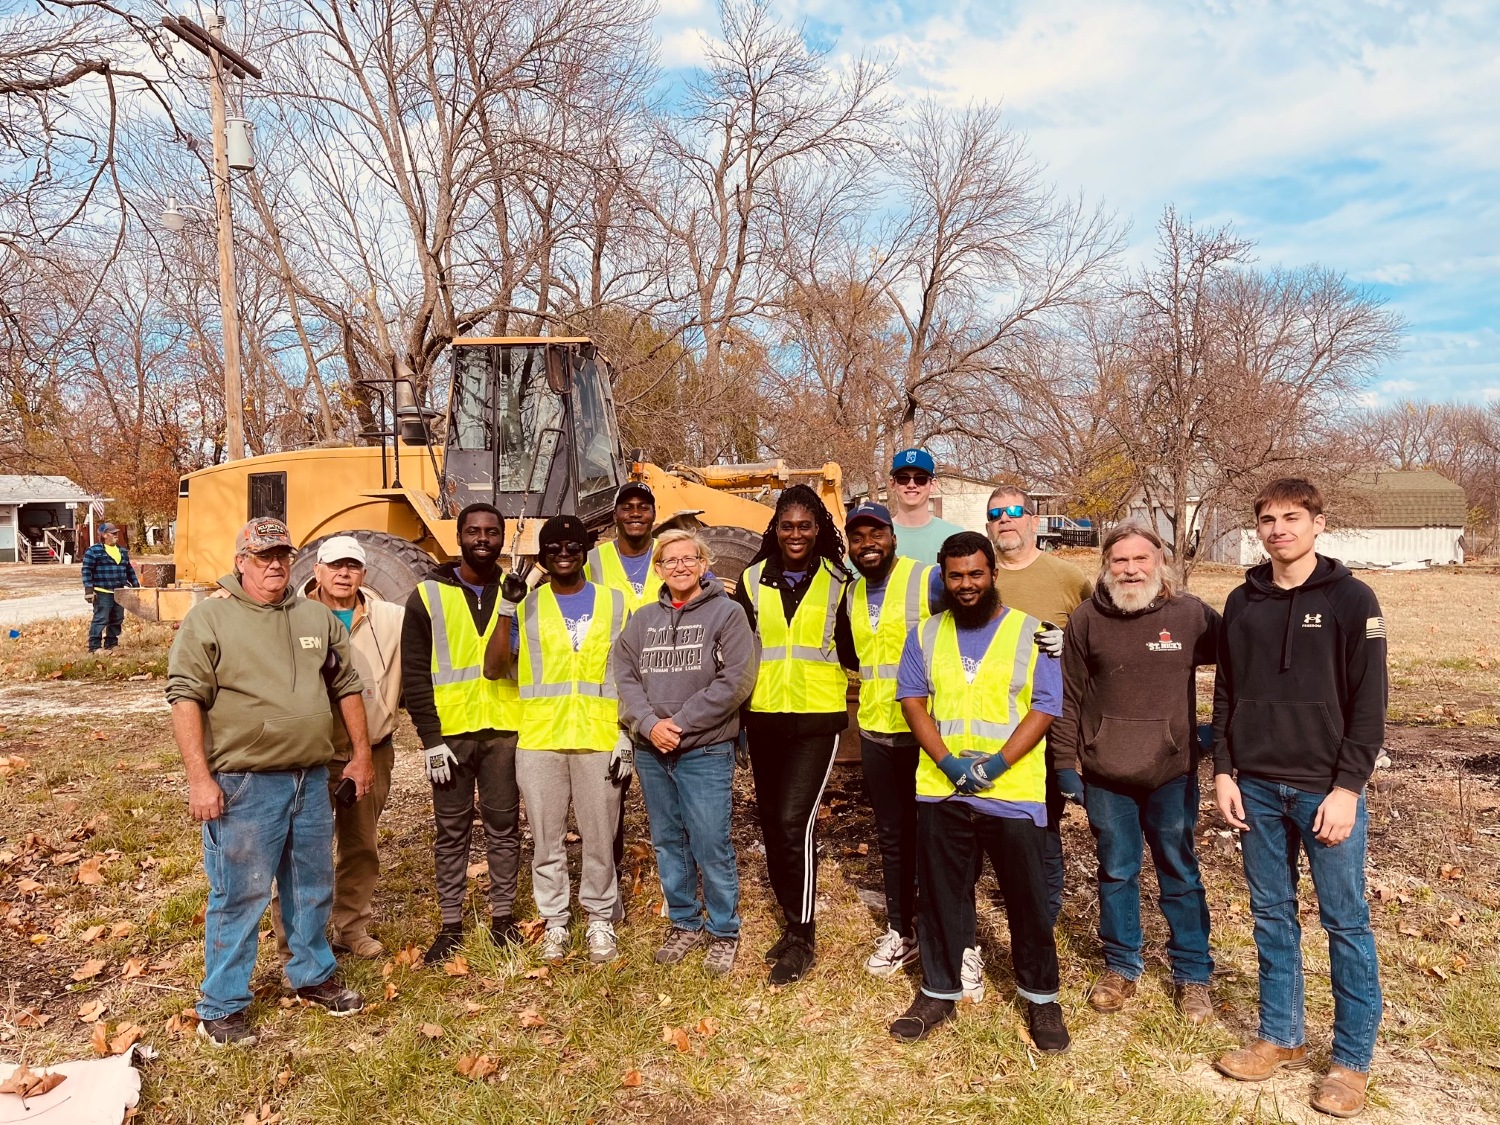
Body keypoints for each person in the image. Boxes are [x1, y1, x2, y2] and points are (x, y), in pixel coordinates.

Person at [1211, 479, 1387, 1119]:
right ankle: (1280, 1035)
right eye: (1267, 519)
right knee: (1271, 914)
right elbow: (1225, 691)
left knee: (1345, 921)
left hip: (1324, 790)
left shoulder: (1351, 599)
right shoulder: (1242, 601)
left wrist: (1347, 788)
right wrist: (1224, 771)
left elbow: (1370, 702)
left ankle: (1350, 1062)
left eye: (1292, 517)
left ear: (1318, 523)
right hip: (1255, 786)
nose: (1278, 528)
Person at [166, 518, 372, 1047]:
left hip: (310, 778)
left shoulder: (315, 617)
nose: (275, 564)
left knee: (311, 884)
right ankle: (222, 1004)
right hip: (245, 783)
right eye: (263, 556)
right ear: (241, 562)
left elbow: (347, 686)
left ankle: (312, 975)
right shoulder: (209, 619)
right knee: (241, 893)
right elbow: (185, 697)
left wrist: (361, 756)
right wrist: (199, 779)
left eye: (282, 554)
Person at [889, 531, 1069, 1051]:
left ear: (993, 573)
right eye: (956, 576)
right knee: (941, 897)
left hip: (1012, 790)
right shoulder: (925, 633)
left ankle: (1041, 999)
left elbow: (1045, 705)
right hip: (943, 790)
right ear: (943, 579)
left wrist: (995, 764)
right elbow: (913, 701)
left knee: (1027, 900)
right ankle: (937, 993)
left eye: (975, 573)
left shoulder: (1033, 633)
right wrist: (947, 763)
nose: (966, 584)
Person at [1050, 523, 1220, 1025]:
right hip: (1106, 773)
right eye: (1120, 560)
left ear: (1159, 561)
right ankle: (1121, 965)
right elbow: (1067, 695)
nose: (1130, 570)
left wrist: (1214, 733)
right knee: (1117, 870)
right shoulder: (1087, 619)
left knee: (1179, 871)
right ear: (1105, 566)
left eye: (1140, 559)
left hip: (1172, 771)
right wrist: (1064, 764)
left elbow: (1241, 664)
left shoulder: (1190, 615)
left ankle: (1192, 975)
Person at [613, 530, 759, 976]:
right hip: (652, 750)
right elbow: (625, 676)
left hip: (705, 750)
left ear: (704, 564)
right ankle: (683, 921)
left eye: (688, 558)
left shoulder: (727, 613)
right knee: (667, 840)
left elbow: (736, 680)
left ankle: (723, 929)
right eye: (669, 560)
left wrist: (679, 724)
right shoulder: (642, 620)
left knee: (710, 840)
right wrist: (648, 724)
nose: (679, 566)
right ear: (657, 569)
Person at [486, 514, 628, 964]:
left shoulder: (615, 603)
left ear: (585, 552)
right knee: (546, 839)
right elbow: (493, 668)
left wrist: (627, 733)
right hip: (541, 738)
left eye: (572, 547)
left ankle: (600, 917)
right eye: (553, 548)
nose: (563, 554)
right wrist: (505, 608)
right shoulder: (525, 605)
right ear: (542, 557)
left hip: (599, 735)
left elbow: (630, 672)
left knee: (599, 837)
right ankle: (555, 921)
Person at [731, 484, 857, 986]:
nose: (796, 534)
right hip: (764, 716)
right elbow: (739, 650)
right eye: (787, 526)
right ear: (776, 529)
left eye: (805, 525)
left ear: (818, 528)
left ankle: (803, 936)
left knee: (793, 822)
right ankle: (790, 920)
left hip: (817, 719)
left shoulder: (839, 581)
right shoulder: (751, 578)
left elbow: (856, 646)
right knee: (771, 822)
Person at [267, 536, 404, 959]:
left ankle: (351, 927)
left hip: (371, 750)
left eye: (353, 566)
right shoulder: (289, 616)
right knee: (300, 852)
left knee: (361, 846)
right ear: (317, 570)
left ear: (364, 573)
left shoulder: (392, 618)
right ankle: (295, 944)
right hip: (311, 754)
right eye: (335, 565)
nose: (344, 574)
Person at [402, 503, 523, 964]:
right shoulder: (427, 596)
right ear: (458, 537)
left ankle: (503, 918)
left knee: (503, 827)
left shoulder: (517, 592)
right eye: (474, 531)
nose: (483, 540)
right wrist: (430, 740)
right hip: (450, 738)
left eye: (492, 532)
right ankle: (451, 924)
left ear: (502, 538)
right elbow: (415, 674)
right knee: (451, 831)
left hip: (504, 733)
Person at [834, 501, 942, 977]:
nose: (867, 545)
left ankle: (947, 933)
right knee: (892, 836)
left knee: (938, 837)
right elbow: (851, 655)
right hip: (877, 732)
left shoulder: (927, 579)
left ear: (893, 537)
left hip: (929, 734)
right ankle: (903, 930)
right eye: (857, 538)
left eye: (876, 534)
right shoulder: (853, 593)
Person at [986, 485, 1092, 939]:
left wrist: (1071, 644)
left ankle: (1041, 920)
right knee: (989, 823)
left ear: (1033, 520)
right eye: (996, 514)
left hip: (1048, 725)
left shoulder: (1068, 577)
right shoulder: (980, 577)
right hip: (986, 724)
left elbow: (1098, 637)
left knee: (1041, 823)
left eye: (1014, 511)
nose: (1005, 520)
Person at [585, 481, 660, 871]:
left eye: (643, 507)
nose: (635, 513)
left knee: (667, 795)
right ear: (614, 514)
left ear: (654, 514)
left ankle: (676, 884)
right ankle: (608, 880)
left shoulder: (670, 554)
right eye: (627, 506)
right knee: (609, 793)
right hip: (611, 693)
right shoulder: (594, 561)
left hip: (664, 692)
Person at [886, 448, 964, 565]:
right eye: (903, 478)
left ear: (933, 485)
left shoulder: (955, 536)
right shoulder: (878, 537)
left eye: (920, 479)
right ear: (892, 484)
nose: (911, 485)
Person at [81, 523, 139, 653]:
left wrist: (135, 585)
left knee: (117, 618)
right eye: (113, 533)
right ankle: (94, 646)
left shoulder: (122, 551)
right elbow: (86, 571)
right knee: (101, 618)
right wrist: (89, 590)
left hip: (119, 592)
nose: (116, 535)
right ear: (104, 535)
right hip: (102, 591)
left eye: (116, 533)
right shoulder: (93, 551)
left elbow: (129, 569)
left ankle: (111, 644)